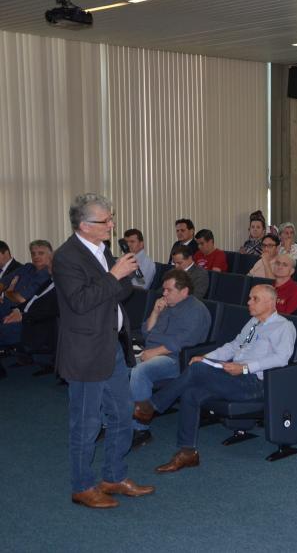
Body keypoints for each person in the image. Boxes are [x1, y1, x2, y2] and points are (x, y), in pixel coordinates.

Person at [55, 193, 154, 509]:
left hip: (112, 345)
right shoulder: (66, 257)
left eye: (111, 218)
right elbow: (80, 301)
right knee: (86, 423)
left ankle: (113, 476)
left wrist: (122, 275)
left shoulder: (103, 249)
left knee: (122, 413)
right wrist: (114, 275)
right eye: (106, 221)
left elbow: (121, 292)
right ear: (84, 225)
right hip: (85, 351)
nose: (112, 225)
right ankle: (82, 486)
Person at [133, 284, 296, 473]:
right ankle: (188, 453)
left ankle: (152, 406)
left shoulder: (283, 327)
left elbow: (281, 358)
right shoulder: (253, 323)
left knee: (197, 370)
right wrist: (208, 357)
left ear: (270, 302)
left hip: (255, 383)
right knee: (192, 393)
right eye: (250, 297)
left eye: (255, 299)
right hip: (234, 376)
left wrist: (245, 367)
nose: (249, 302)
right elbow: (234, 346)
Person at [128, 269, 211, 449]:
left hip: (176, 359)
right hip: (151, 351)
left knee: (140, 372)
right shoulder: (166, 305)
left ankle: (140, 429)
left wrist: (154, 353)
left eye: (168, 290)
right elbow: (147, 332)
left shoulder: (196, 310)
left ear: (184, 291)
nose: (164, 293)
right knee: (113, 365)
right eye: (163, 289)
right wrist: (156, 312)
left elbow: (185, 342)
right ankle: (108, 421)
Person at [0, 240, 52, 320]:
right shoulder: (27, 267)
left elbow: (21, 299)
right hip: (5, 307)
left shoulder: (47, 275)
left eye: (41, 253)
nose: (36, 257)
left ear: (50, 255)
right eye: (33, 253)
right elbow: (3, 282)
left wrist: (7, 293)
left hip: (19, 315)